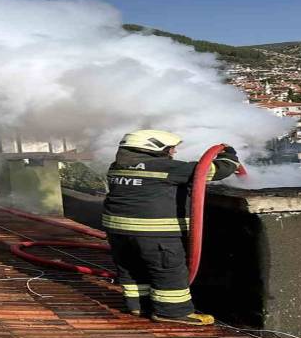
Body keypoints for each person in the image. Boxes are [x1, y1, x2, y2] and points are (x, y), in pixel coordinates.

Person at [102, 130, 240, 326]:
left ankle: (137, 305)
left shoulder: (117, 165)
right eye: (170, 149)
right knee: (168, 270)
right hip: (155, 233)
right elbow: (215, 171)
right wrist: (230, 155)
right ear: (154, 148)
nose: (173, 152)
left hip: (118, 230)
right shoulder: (167, 167)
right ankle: (173, 312)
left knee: (132, 268)